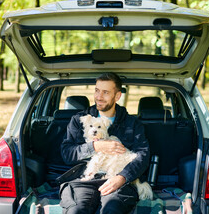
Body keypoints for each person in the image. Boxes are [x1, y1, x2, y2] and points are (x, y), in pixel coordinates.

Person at [60, 72, 150, 214]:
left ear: (117, 96)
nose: (99, 97)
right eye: (97, 90)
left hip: (118, 179)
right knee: (76, 211)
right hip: (85, 180)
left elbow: (143, 155)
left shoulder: (132, 124)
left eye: (105, 92)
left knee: (111, 209)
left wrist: (123, 177)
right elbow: (67, 153)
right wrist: (95, 146)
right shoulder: (79, 120)